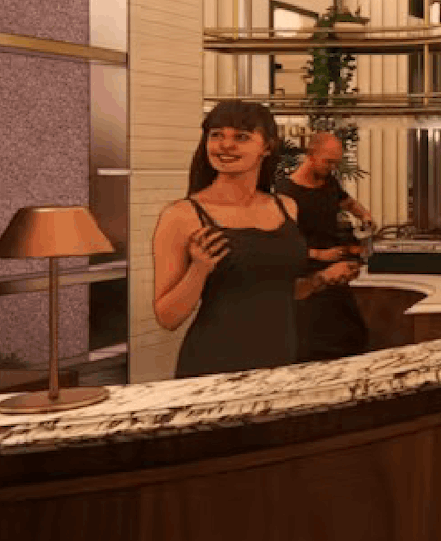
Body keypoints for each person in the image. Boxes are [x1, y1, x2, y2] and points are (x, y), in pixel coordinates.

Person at [152, 102, 358, 378]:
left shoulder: (286, 207)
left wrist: (320, 280)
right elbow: (167, 317)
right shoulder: (182, 216)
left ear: (267, 147)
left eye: (241, 137)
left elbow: (275, 291)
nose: (225, 145)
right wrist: (199, 269)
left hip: (281, 360)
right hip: (214, 365)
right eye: (216, 135)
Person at [276, 131, 372, 362]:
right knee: (315, 341)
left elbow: (347, 202)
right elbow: (280, 245)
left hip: (335, 270)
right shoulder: (286, 193)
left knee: (352, 334)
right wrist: (319, 254)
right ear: (310, 155)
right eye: (328, 161)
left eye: (336, 163)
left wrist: (364, 215)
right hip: (308, 274)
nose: (332, 168)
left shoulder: (329, 182)